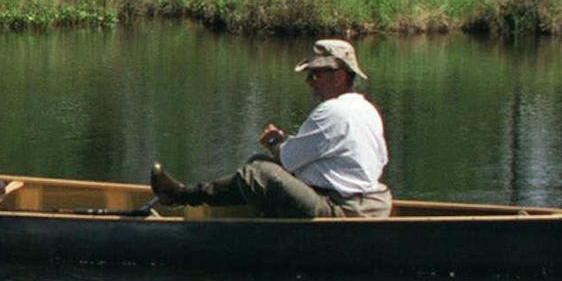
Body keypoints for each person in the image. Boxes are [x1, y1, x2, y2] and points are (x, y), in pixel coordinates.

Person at [150, 38, 391, 218]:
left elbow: (287, 161)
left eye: (314, 75)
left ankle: (182, 196)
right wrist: (285, 144)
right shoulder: (368, 110)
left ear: (339, 76)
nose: (309, 83)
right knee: (260, 166)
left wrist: (276, 143)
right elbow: (377, 162)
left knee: (258, 172)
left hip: (343, 211)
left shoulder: (332, 111)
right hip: (375, 206)